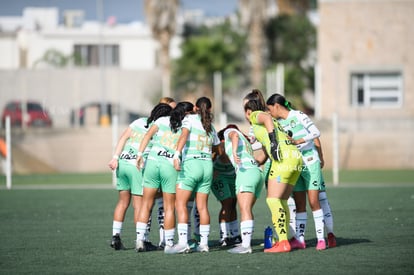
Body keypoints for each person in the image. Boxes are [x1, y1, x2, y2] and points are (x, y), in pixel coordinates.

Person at [243, 89, 303, 253]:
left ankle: (283, 242)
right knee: (282, 201)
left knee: (272, 200)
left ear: (249, 111)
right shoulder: (269, 126)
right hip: (295, 158)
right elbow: (264, 153)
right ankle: (289, 240)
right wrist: (251, 163)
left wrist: (274, 142)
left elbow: (267, 117)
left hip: (283, 159)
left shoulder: (257, 116)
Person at [266, 93, 327, 250]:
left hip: (310, 161)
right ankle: (300, 240)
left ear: (277, 106)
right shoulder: (278, 123)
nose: (269, 112)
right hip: (295, 165)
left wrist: (300, 141)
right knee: (300, 203)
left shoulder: (298, 115)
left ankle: (321, 239)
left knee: (313, 201)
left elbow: (316, 132)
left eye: (269, 108)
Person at [108, 103, 171, 251]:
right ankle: (142, 240)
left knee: (123, 202)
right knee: (139, 205)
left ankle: (115, 235)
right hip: (137, 166)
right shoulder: (160, 127)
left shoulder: (138, 121)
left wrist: (115, 158)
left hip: (122, 162)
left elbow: (123, 138)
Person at [135, 102, 194, 253]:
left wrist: (140, 154)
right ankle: (168, 243)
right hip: (170, 166)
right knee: (169, 208)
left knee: (146, 204)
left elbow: (147, 135)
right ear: (186, 113)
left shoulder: (161, 121)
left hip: (152, 163)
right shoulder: (186, 125)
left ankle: (140, 240)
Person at [169, 97, 220, 253]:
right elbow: (219, 150)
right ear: (209, 110)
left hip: (191, 165)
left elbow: (183, 136)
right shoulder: (211, 126)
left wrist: (176, 154)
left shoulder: (190, 119)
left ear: (196, 108)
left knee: (180, 204)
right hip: (207, 166)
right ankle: (204, 244)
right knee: (203, 207)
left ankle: (183, 242)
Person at [219, 124, 263, 254]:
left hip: (246, 172)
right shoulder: (246, 143)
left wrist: (233, 151)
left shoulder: (228, 132)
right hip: (257, 172)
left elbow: (234, 134)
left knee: (244, 209)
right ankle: (245, 242)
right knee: (247, 209)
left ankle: (245, 245)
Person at [154, 96, 177, 248]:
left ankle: (163, 239)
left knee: (163, 205)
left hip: (157, 165)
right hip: (160, 165)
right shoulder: (158, 123)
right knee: (160, 205)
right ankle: (163, 240)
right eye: (172, 108)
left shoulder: (174, 123)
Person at [212, 126, 240, 247]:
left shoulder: (239, 145)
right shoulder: (219, 147)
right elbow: (210, 158)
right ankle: (223, 236)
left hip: (232, 177)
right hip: (219, 177)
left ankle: (235, 235)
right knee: (227, 203)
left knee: (233, 203)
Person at [314, 137, 337, 248]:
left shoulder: (293, 120)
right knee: (322, 199)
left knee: (295, 203)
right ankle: (330, 235)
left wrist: (321, 157)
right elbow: (316, 138)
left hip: (300, 165)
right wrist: (320, 157)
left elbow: (315, 138)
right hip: (312, 163)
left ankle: (299, 238)